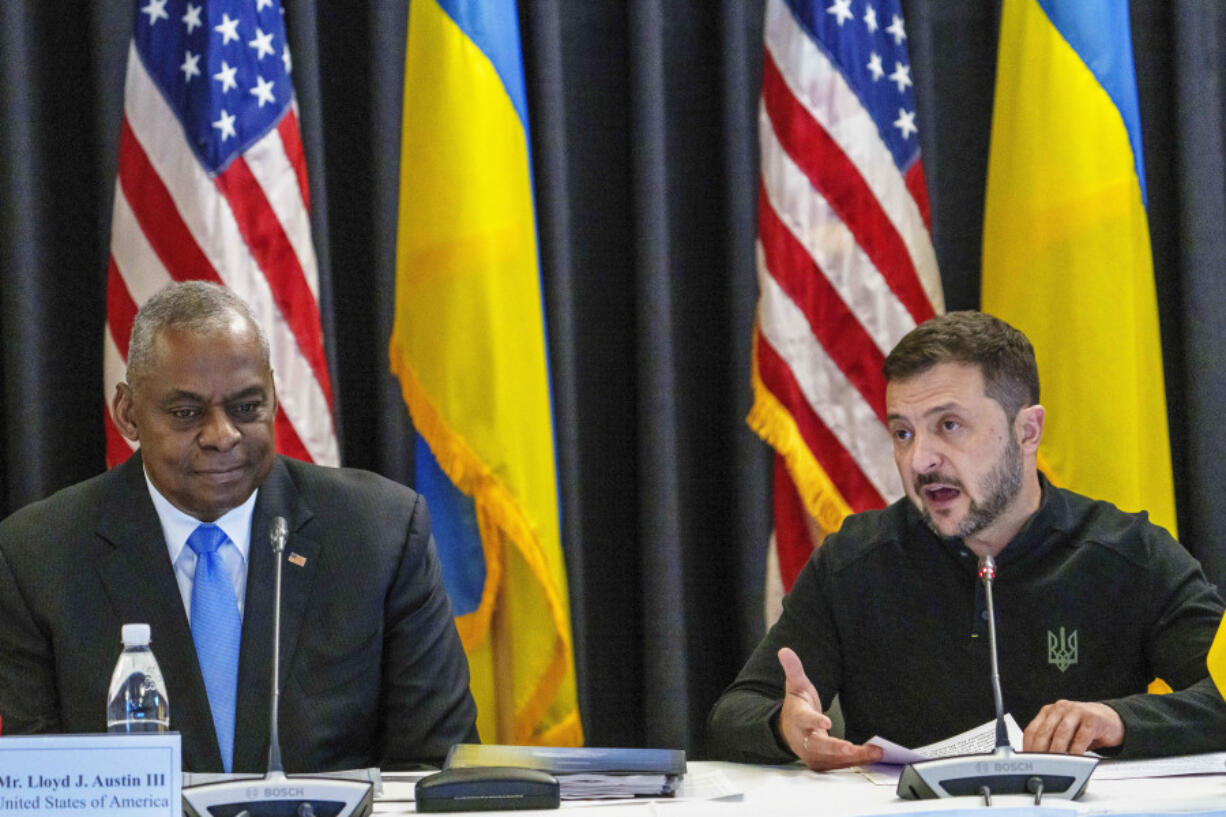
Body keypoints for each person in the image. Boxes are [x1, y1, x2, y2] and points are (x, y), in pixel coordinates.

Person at [709, 311, 1226, 769]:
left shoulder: (1128, 552)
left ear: (1027, 432)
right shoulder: (855, 559)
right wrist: (786, 725)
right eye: (903, 433)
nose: (920, 460)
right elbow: (737, 709)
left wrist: (1116, 720)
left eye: (949, 426)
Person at [0, 281, 478, 772]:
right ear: (128, 413)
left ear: (273, 395)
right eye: (187, 413)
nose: (223, 435)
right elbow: (37, 785)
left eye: (247, 408)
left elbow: (438, 768)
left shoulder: (380, 535)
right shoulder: (39, 558)